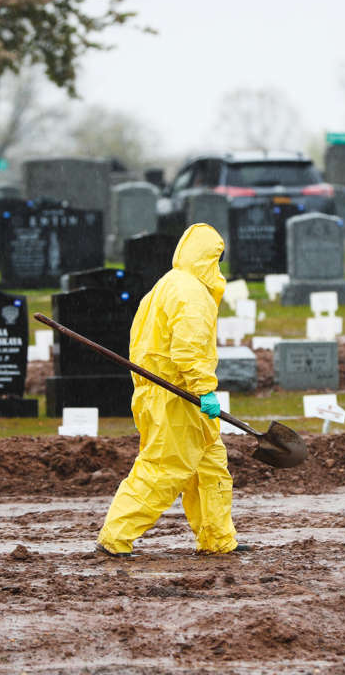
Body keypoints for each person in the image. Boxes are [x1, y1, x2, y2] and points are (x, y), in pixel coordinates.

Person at [96, 223, 246, 557]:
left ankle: (217, 539)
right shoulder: (191, 292)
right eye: (217, 259)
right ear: (208, 258)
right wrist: (205, 389)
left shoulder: (164, 285)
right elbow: (188, 349)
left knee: (209, 467)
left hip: (168, 395)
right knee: (163, 469)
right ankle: (115, 536)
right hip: (177, 399)